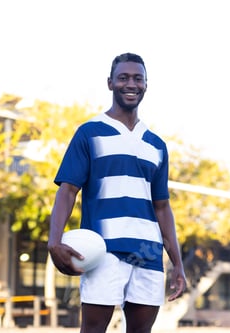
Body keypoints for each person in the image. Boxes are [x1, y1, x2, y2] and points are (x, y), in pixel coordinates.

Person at [47, 52, 187, 333]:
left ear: (146, 85)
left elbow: (162, 207)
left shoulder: (156, 145)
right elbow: (68, 190)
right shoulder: (89, 133)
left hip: (148, 251)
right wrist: (54, 240)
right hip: (103, 249)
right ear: (110, 83)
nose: (131, 84)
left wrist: (177, 264)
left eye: (138, 78)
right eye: (123, 78)